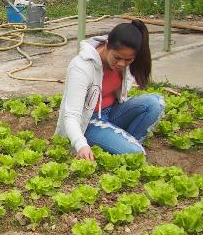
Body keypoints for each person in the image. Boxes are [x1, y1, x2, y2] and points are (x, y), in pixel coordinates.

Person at [56, 20, 165, 160]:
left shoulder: (124, 62)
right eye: (117, 57)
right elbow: (71, 115)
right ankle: (124, 147)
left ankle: (123, 143)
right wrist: (80, 144)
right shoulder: (81, 67)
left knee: (156, 103)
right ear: (107, 45)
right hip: (87, 122)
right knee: (136, 154)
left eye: (128, 60)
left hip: (111, 113)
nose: (121, 64)